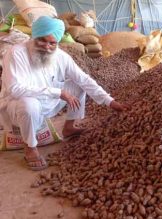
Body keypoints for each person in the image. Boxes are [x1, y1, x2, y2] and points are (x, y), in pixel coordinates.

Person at [0, 16, 129, 171]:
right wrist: (59, 92)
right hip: (17, 105)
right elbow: (15, 89)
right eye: (42, 40)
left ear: (58, 43)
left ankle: (69, 127)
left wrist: (110, 102)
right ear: (34, 36)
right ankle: (30, 147)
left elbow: (84, 79)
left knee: (77, 84)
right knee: (30, 104)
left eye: (52, 43)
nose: (47, 46)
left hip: (47, 102)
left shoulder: (61, 57)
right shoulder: (16, 53)